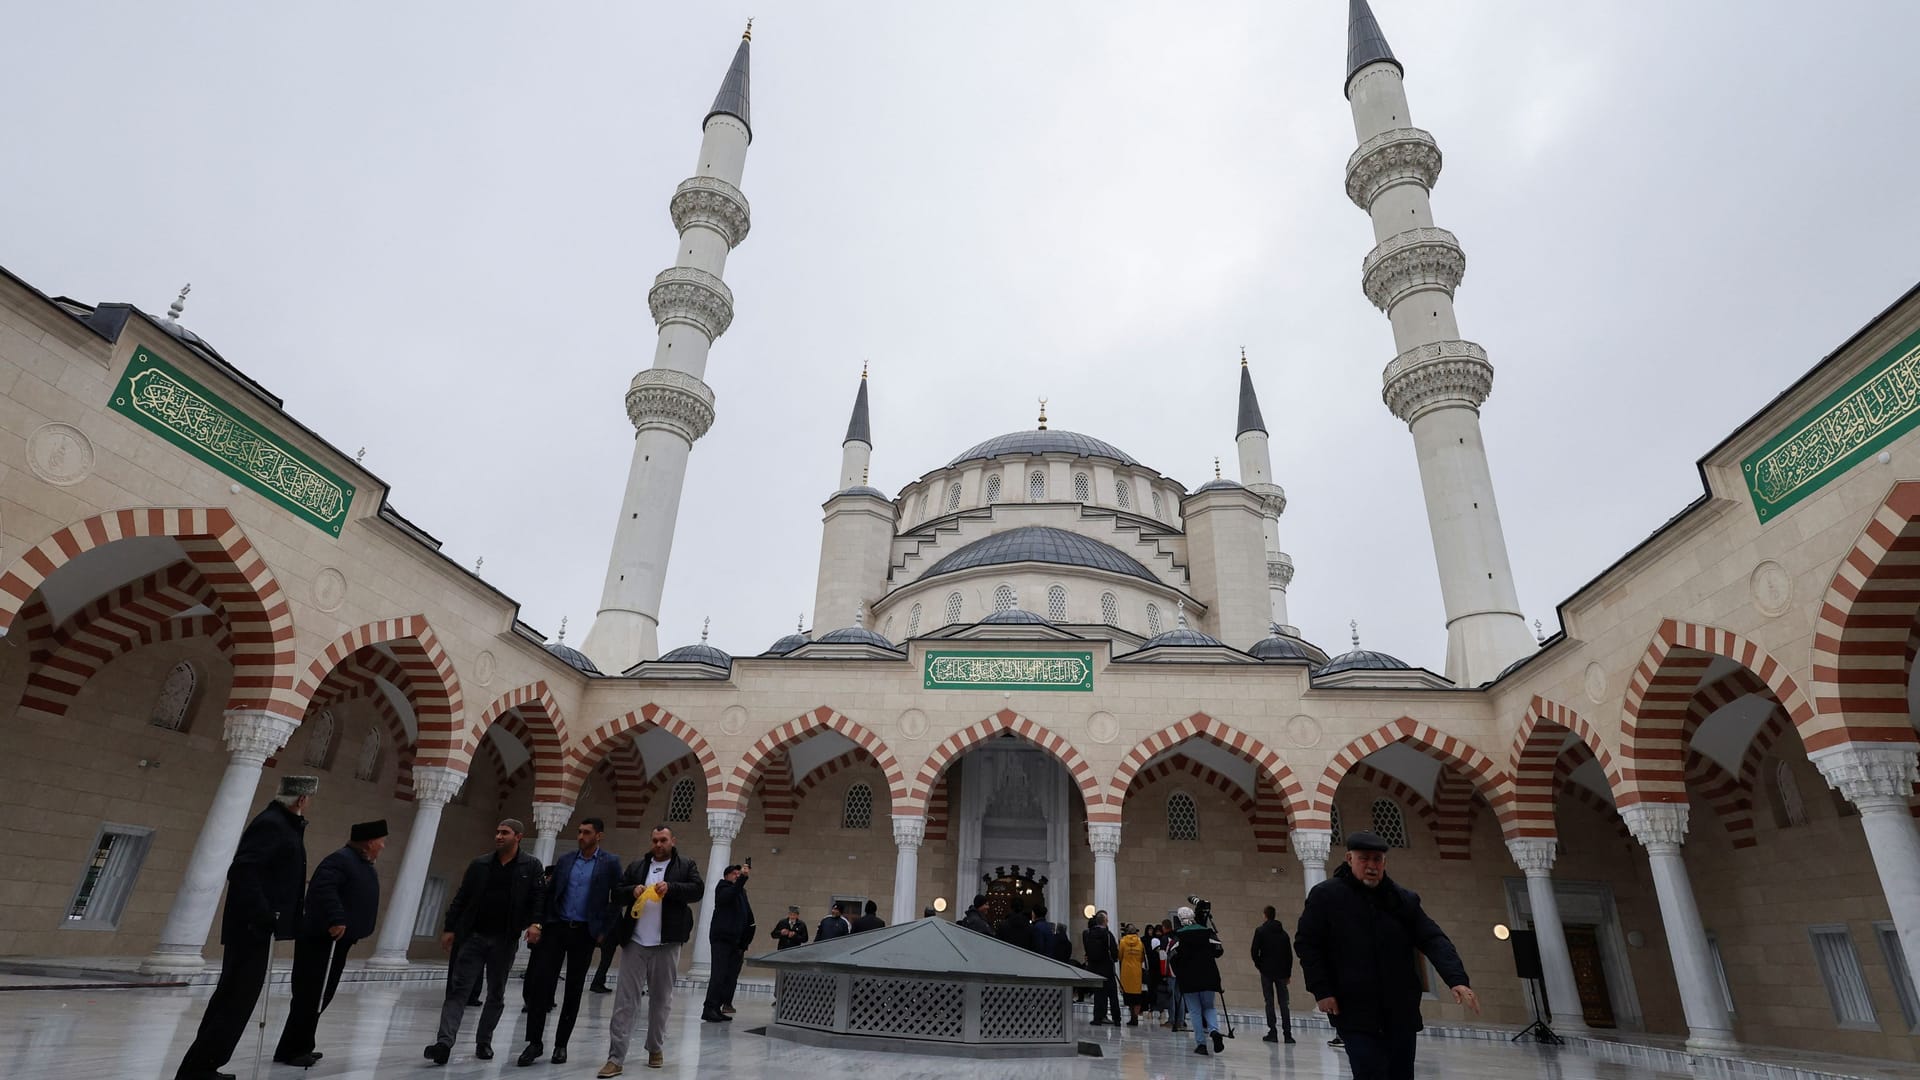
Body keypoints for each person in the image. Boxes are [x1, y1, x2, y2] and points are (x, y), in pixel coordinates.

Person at [1295, 831, 1479, 1080]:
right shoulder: (1327, 896)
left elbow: (1433, 938)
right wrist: (1322, 990)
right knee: (1370, 1072)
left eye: (1377, 859)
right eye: (1364, 859)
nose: (1371, 866)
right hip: (1354, 1009)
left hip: (1400, 1010)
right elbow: (1308, 944)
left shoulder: (1402, 900)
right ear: (1349, 859)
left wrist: (1456, 979)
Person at [173, 775, 316, 1080]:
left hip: (256, 926)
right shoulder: (272, 824)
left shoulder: (283, 824)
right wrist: (264, 914)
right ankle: (199, 1068)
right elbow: (244, 870)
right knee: (235, 999)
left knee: (234, 999)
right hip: (251, 926)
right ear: (301, 800)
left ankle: (203, 1065)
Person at [425, 819, 545, 1066]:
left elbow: (538, 899)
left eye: (505, 833)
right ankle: (444, 1043)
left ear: (518, 837)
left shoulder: (530, 866)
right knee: (459, 989)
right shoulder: (480, 864)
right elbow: (463, 896)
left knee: (496, 993)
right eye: (498, 832)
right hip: (474, 936)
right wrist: (450, 927)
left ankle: (484, 1041)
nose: (499, 836)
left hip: (504, 939)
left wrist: (535, 924)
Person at [273, 817, 385, 1067]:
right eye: (380, 841)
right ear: (368, 843)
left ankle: (300, 1045)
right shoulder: (340, 860)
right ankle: (292, 1050)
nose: (383, 846)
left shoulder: (358, 862)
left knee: (321, 995)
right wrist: (337, 918)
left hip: (338, 942)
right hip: (321, 940)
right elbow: (323, 888)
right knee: (311, 994)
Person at [599, 824, 702, 1077]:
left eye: (663, 840)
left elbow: (697, 890)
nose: (658, 844)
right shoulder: (637, 867)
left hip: (666, 944)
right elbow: (617, 893)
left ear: (672, 841)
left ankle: (655, 1047)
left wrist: (672, 889)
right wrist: (631, 891)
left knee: (661, 1000)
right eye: (655, 840)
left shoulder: (685, 865)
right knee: (625, 1001)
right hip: (635, 942)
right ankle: (615, 1058)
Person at [519, 817, 623, 1066]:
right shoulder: (566, 860)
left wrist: (603, 929)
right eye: (579, 832)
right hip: (557, 928)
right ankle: (534, 1043)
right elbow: (548, 893)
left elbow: (617, 897)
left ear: (599, 835)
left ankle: (560, 1045)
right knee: (542, 985)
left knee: (574, 989)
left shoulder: (610, 863)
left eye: (586, 832)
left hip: (584, 932)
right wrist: (538, 922)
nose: (580, 836)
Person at [1168, 905, 1225, 1056]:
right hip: (1209, 975)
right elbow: (1219, 950)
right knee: (1209, 1007)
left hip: (1189, 978)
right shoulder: (1206, 931)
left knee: (1195, 1011)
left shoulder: (1178, 936)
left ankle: (1201, 1044)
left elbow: (1172, 957)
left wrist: (1179, 972)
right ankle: (1213, 1031)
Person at [701, 863, 754, 1021]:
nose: (737, 875)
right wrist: (743, 878)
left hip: (734, 941)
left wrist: (745, 940)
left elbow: (746, 915)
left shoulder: (740, 893)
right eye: (734, 874)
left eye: (739, 873)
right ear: (727, 876)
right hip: (722, 939)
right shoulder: (723, 887)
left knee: (726, 976)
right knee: (718, 974)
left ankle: (717, 1008)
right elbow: (729, 895)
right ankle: (709, 1008)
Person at [1251, 903, 1296, 1044]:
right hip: (1282, 972)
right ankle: (1287, 1034)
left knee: (1269, 1002)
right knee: (1284, 1003)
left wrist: (1260, 966)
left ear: (1265, 915)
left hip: (1267, 972)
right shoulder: (1284, 934)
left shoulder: (1260, 931)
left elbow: (1254, 951)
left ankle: (1273, 1032)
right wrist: (1288, 973)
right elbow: (1289, 956)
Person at [1083, 910, 1121, 1025]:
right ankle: (1116, 1019)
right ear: (1105, 922)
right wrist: (1114, 959)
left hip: (1095, 968)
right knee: (1113, 995)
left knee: (1099, 994)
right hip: (1107, 968)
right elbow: (1114, 952)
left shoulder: (1089, 933)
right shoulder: (1107, 935)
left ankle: (1097, 1018)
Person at [1117, 922, 1146, 1025]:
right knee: (1137, 996)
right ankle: (1136, 1017)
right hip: (1137, 971)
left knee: (1128, 995)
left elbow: (1119, 956)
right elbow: (1143, 958)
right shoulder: (1140, 942)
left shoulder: (1123, 941)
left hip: (1126, 972)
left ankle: (1132, 1017)